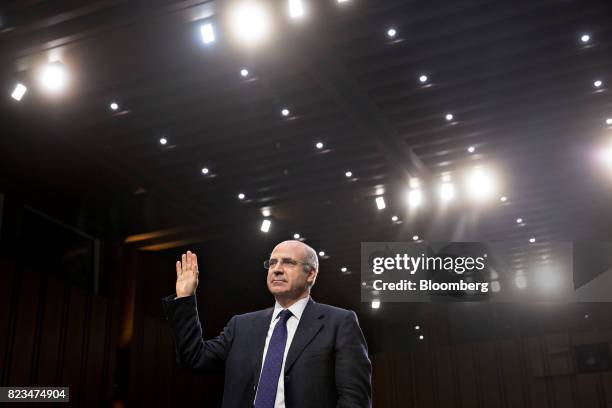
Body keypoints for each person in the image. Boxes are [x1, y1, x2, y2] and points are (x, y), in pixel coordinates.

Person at [162, 240, 372, 408]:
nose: (277, 269)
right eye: (272, 263)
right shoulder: (241, 325)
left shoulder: (339, 322)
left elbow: (354, 398)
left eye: (288, 262)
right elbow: (194, 358)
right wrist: (185, 299)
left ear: (311, 274)